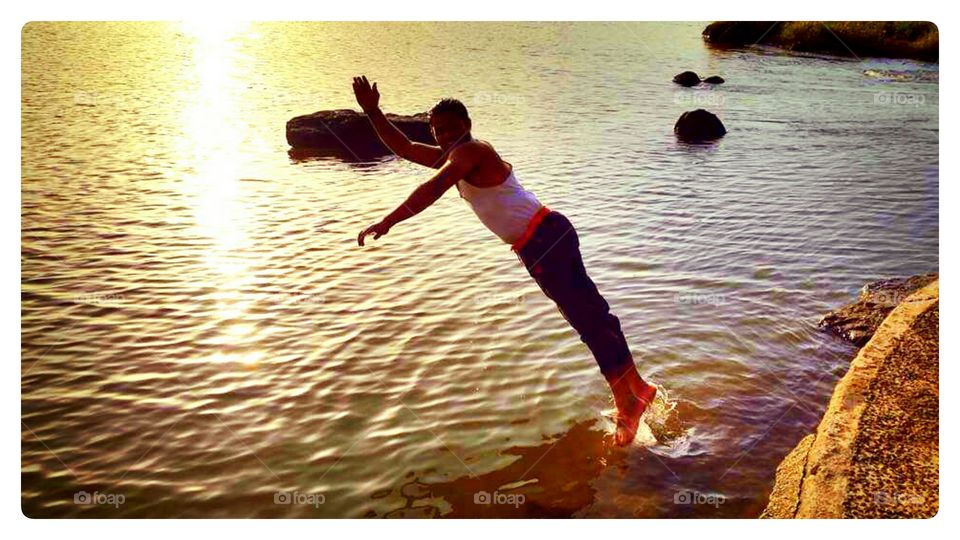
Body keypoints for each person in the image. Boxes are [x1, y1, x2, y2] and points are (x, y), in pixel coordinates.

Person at [352, 75, 656, 446]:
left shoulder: (471, 152)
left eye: (449, 127)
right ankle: (636, 388)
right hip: (541, 240)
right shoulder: (454, 156)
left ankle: (629, 399)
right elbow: (402, 146)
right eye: (436, 130)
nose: (442, 135)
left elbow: (433, 188)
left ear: (466, 125)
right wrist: (372, 111)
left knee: (590, 320)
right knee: (593, 316)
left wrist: (389, 221)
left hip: (545, 238)